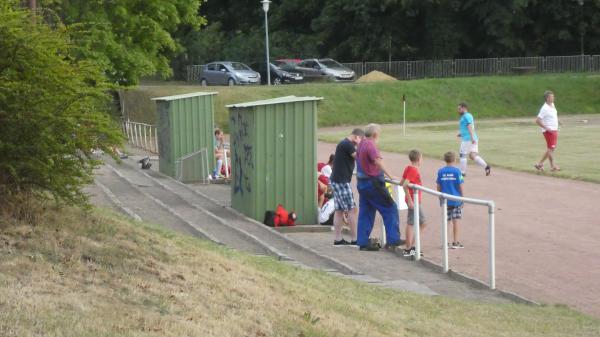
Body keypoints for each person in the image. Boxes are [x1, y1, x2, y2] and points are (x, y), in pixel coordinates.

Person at [355, 124, 403, 251]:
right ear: (375, 135)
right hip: (373, 183)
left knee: (366, 212)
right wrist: (391, 176)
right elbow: (378, 161)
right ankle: (393, 240)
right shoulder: (370, 145)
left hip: (362, 183)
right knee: (390, 207)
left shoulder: (361, 144)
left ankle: (362, 241)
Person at [330, 129, 363, 245]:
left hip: (337, 180)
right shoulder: (347, 145)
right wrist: (360, 145)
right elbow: (359, 158)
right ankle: (355, 239)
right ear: (356, 137)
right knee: (352, 210)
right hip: (341, 181)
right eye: (360, 139)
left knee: (339, 210)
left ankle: (338, 239)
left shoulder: (344, 144)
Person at [400, 149, 427, 257]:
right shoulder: (414, 170)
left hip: (413, 200)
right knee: (422, 223)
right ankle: (410, 247)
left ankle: (410, 247)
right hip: (414, 200)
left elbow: (402, 181)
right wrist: (410, 199)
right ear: (419, 159)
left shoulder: (408, 168)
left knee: (412, 222)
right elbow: (405, 184)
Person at [436, 151, 465, 249]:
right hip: (455, 200)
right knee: (455, 221)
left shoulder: (440, 171)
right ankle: (455, 242)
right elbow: (460, 186)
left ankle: (445, 242)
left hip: (445, 201)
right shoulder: (457, 171)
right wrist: (462, 198)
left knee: (446, 222)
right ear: (454, 160)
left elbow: (438, 186)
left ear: (445, 160)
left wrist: (440, 197)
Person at [457, 102, 491, 177]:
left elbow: (469, 126)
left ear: (464, 108)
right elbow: (466, 127)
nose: (458, 110)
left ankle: (462, 173)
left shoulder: (466, 116)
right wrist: (461, 134)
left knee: (462, 155)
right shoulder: (465, 116)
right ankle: (486, 166)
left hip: (468, 139)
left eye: (459, 109)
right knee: (472, 155)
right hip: (470, 137)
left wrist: (472, 137)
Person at [535, 91, 561, 172]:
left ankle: (539, 164)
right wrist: (547, 128)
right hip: (549, 131)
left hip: (554, 129)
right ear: (547, 98)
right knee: (551, 149)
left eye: (553, 96)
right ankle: (552, 166)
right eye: (551, 97)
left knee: (551, 149)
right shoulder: (544, 108)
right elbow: (537, 120)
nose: (553, 98)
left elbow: (553, 116)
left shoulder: (552, 105)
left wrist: (558, 121)